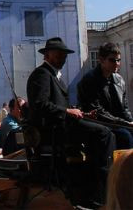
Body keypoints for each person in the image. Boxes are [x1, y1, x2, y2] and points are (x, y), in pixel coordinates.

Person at [27, 37, 115, 207]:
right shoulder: (42, 74)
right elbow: (40, 104)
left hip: (64, 123)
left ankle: (95, 181)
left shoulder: (54, 76)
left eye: (64, 54)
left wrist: (80, 112)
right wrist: (67, 111)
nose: (63, 57)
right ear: (47, 55)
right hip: (54, 129)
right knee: (104, 134)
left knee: (109, 130)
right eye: (58, 54)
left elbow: (57, 104)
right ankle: (101, 187)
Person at [77, 42, 133, 149]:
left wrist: (130, 122)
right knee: (125, 136)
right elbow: (97, 111)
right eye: (112, 60)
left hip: (118, 123)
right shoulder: (89, 80)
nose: (116, 63)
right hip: (100, 123)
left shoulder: (119, 80)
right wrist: (124, 123)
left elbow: (124, 109)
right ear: (101, 60)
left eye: (118, 60)